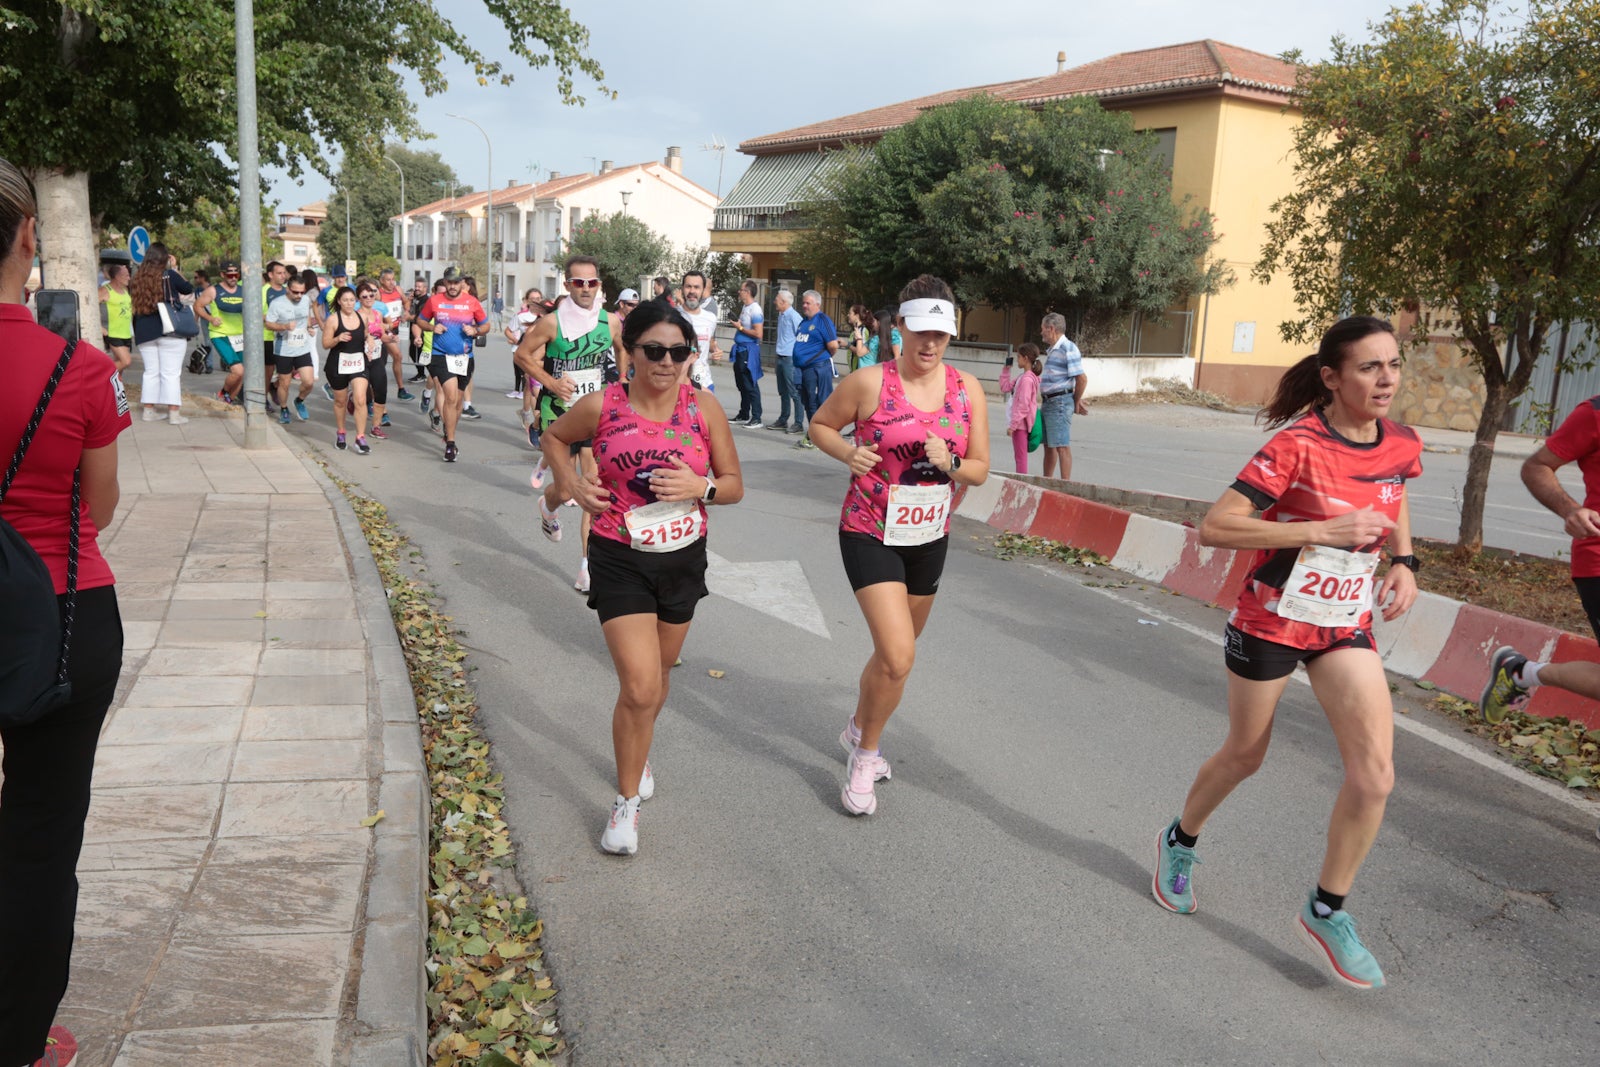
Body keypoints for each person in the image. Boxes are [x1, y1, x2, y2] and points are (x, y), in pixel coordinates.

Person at [1150, 316, 1421, 992]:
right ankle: (1179, 841)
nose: (1386, 378)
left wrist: (1406, 560)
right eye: (1369, 367)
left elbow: (1394, 491)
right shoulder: (1297, 444)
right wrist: (1322, 528)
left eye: (1393, 364)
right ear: (1332, 377)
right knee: (1246, 753)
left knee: (1376, 775)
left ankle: (1326, 909)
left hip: (1341, 622)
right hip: (1272, 619)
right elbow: (1216, 525)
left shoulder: (1402, 440)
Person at [0, 155, 132, 1067]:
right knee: (41, 842)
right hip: (61, 615)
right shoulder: (76, 369)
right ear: (27, 236)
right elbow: (102, 503)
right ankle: (20, 1039)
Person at [541, 297, 744, 855]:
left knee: (657, 677)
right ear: (628, 352)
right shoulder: (602, 405)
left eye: (679, 351)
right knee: (639, 684)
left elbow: (732, 485)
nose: (666, 361)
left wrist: (698, 488)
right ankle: (625, 804)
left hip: (682, 557)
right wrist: (574, 485)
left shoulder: (704, 409)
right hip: (619, 555)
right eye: (653, 350)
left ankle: (640, 743)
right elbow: (554, 438)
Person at [808, 275, 990, 817]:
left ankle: (859, 725)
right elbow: (820, 425)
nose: (929, 344)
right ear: (899, 330)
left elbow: (979, 469)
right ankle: (866, 755)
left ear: (951, 335)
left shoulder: (967, 390)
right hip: (869, 529)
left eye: (940, 333)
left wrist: (951, 464)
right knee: (898, 652)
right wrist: (847, 454)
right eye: (919, 331)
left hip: (929, 536)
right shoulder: (869, 383)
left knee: (894, 660)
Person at [1479, 396, 1600, 823]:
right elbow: (1536, 466)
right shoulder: (1596, 412)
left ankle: (1521, 672)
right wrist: (1571, 510)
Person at [517, 256, 625, 593]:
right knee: (566, 491)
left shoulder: (612, 322)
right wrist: (550, 383)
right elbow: (521, 355)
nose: (586, 288)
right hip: (558, 413)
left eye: (591, 282)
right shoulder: (551, 323)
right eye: (578, 282)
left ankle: (587, 566)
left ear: (599, 286)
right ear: (567, 285)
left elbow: (624, 350)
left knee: (591, 489)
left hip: (594, 412)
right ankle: (547, 507)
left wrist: (620, 383)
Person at [416, 266, 488, 462]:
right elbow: (420, 320)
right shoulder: (435, 301)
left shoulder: (471, 302)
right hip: (441, 356)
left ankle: (449, 432)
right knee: (449, 396)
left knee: (457, 401)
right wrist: (432, 327)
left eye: (457, 282)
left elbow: (486, 325)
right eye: (450, 282)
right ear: (445, 282)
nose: (453, 286)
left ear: (462, 283)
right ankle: (450, 443)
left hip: (464, 357)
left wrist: (476, 331)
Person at [129, 242, 193, 425]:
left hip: (144, 331)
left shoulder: (137, 278)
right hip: (170, 330)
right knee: (171, 373)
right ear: (164, 259)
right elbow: (188, 289)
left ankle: (149, 411)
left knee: (150, 372)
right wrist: (175, 268)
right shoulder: (169, 276)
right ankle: (174, 414)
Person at [320, 284, 372, 454]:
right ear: (339, 302)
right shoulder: (333, 319)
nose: (349, 304)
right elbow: (325, 344)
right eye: (345, 301)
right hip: (338, 364)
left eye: (352, 300)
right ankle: (341, 432)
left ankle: (360, 437)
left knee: (360, 399)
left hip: (358, 362)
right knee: (340, 401)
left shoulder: (362, 317)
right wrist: (338, 338)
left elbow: (365, 334)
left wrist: (370, 341)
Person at [1037, 312, 1089, 481]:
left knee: (1061, 445)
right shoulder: (1053, 349)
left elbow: (1081, 378)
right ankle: (1047, 481)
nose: (1041, 332)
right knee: (1049, 445)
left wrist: (1075, 401)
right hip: (1050, 401)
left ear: (1051, 329)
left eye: (1043, 329)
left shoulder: (1068, 348)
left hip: (1059, 402)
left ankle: (1066, 485)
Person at [264, 274, 318, 425]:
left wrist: (308, 327)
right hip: (284, 349)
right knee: (284, 383)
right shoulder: (277, 303)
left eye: (302, 292)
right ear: (288, 289)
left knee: (308, 382)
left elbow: (305, 314)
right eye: (295, 292)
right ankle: (284, 408)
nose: (299, 295)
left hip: (302, 347)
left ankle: (299, 400)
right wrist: (284, 327)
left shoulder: (306, 299)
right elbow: (269, 324)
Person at [193, 259, 247, 405]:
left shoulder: (244, 290)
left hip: (239, 336)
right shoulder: (213, 290)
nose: (234, 278)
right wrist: (210, 318)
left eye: (236, 274)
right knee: (238, 371)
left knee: (242, 373)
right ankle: (222, 393)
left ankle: (228, 402)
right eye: (230, 275)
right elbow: (197, 305)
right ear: (222, 275)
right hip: (220, 335)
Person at [791, 290, 839, 450]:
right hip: (803, 369)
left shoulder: (822, 320)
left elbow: (833, 345)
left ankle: (820, 436)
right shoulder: (803, 322)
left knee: (818, 402)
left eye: (808, 303)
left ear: (817, 304)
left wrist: (819, 359)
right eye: (803, 302)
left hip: (817, 367)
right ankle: (814, 434)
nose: (804, 305)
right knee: (807, 402)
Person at [765, 289, 804, 435]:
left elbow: (800, 336)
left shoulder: (794, 316)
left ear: (784, 302)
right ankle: (783, 419)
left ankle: (799, 422)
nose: (775, 301)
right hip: (780, 356)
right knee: (783, 391)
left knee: (794, 391)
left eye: (777, 299)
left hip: (789, 358)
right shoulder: (781, 315)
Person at [356, 282, 393, 439]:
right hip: (361, 358)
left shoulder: (377, 314)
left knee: (381, 392)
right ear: (359, 298)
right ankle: (360, 432)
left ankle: (376, 427)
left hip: (376, 357)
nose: (369, 298)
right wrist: (367, 338)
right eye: (365, 296)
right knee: (362, 396)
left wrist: (391, 339)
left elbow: (382, 335)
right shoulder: (356, 315)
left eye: (371, 294)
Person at [1000, 342, 1042, 474]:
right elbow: (1005, 387)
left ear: (1026, 358)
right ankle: (1021, 481)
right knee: (1019, 457)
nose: (1017, 359)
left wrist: (1013, 426)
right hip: (1019, 424)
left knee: (1021, 459)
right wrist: (1006, 369)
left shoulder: (1026, 380)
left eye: (1018, 357)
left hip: (1020, 425)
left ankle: (1021, 483)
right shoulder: (1022, 378)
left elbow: (1023, 406)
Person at [374, 268, 414, 402]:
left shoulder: (398, 289)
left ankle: (367, 392)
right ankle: (401, 389)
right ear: (381, 281)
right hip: (384, 330)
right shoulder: (378, 294)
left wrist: (406, 312)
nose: (391, 282)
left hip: (395, 329)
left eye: (393, 279)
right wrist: (385, 326)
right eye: (388, 280)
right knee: (397, 355)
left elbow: (406, 301)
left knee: (382, 362)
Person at [676, 270, 720, 391]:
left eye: (696, 287)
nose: (692, 291)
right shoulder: (673, 316)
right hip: (679, 384)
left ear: (702, 290)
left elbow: (709, 342)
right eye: (688, 286)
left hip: (705, 382)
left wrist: (715, 350)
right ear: (682, 289)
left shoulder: (710, 318)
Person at [730, 280, 764, 427]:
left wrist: (741, 328)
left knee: (750, 384)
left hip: (748, 351)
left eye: (741, 289)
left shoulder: (755, 309)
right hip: (740, 350)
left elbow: (758, 333)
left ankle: (757, 417)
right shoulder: (746, 307)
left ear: (748, 292)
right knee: (741, 384)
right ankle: (744, 413)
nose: (739, 292)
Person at [260, 260, 289, 412]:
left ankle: (274, 386)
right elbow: (257, 312)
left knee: (290, 370)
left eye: (284, 273)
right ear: (270, 275)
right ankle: (263, 398)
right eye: (279, 273)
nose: (283, 276)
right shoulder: (264, 291)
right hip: (268, 337)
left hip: (287, 337)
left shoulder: (287, 291)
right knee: (269, 370)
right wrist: (273, 319)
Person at [98, 262, 133, 374]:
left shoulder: (126, 290)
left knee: (120, 367)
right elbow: (90, 308)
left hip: (126, 334)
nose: (129, 278)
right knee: (126, 361)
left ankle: (116, 389)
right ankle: (101, 376)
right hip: (113, 333)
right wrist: (99, 327)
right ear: (117, 277)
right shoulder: (105, 290)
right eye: (126, 275)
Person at [406, 277, 430, 383]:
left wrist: (408, 317)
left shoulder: (426, 300)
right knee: (413, 352)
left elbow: (421, 317)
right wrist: (409, 299)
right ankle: (421, 373)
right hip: (412, 328)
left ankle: (430, 374)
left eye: (419, 287)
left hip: (421, 330)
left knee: (420, 353)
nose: (417, 289)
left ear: (425, 288)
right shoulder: (415, 297)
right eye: (416, 286)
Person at [846, 304, 874, 372]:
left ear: (857, 315)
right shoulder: (855, 331)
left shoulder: (863, 331)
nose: (848, 315)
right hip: (853, 370)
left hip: (859, 371)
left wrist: (847, 345)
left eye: (850, 313)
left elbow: (861, 352)